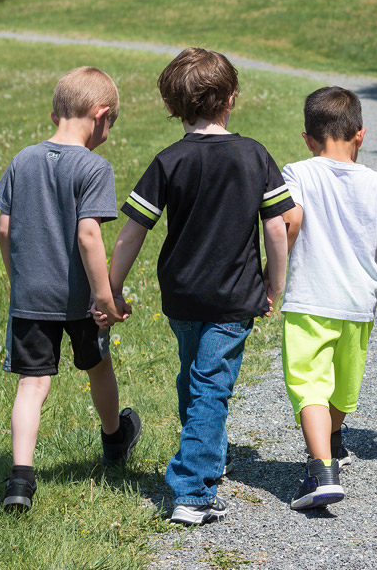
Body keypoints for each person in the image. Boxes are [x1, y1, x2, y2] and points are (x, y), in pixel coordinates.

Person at [104, 48, 294, 524]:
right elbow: (278, 226)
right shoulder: (254, 155)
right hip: (234, 295)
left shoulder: (169, 160)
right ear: (231, 99)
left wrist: (111, 288)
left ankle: (204, 456)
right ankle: (192, 491)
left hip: (181, 293)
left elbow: (132, 231)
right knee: (210, 385)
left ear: (172, 107)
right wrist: (276, 283)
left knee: (195, 375)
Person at [0, 66, 140, 513]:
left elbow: (4, 227)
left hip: (31, 297)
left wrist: (18, 280)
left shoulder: (23, 159)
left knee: (32, 384)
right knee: (98, 367)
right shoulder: (94, 166)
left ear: (55, 112)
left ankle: (20, 480)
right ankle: (114, 440)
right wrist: (103, 299)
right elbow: (89, 235)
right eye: (109, 127)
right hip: (80, 300)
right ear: (101, 115)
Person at [277, 86, 377, 510]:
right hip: (357, 303)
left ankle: (320, 470)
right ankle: (333, 443)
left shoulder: (296, 172)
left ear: (308, 138)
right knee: (341, 387)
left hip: (309, 299)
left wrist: (278, 264)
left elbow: (292, 221)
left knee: (309, 385)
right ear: (361, 135)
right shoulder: (374, 181)